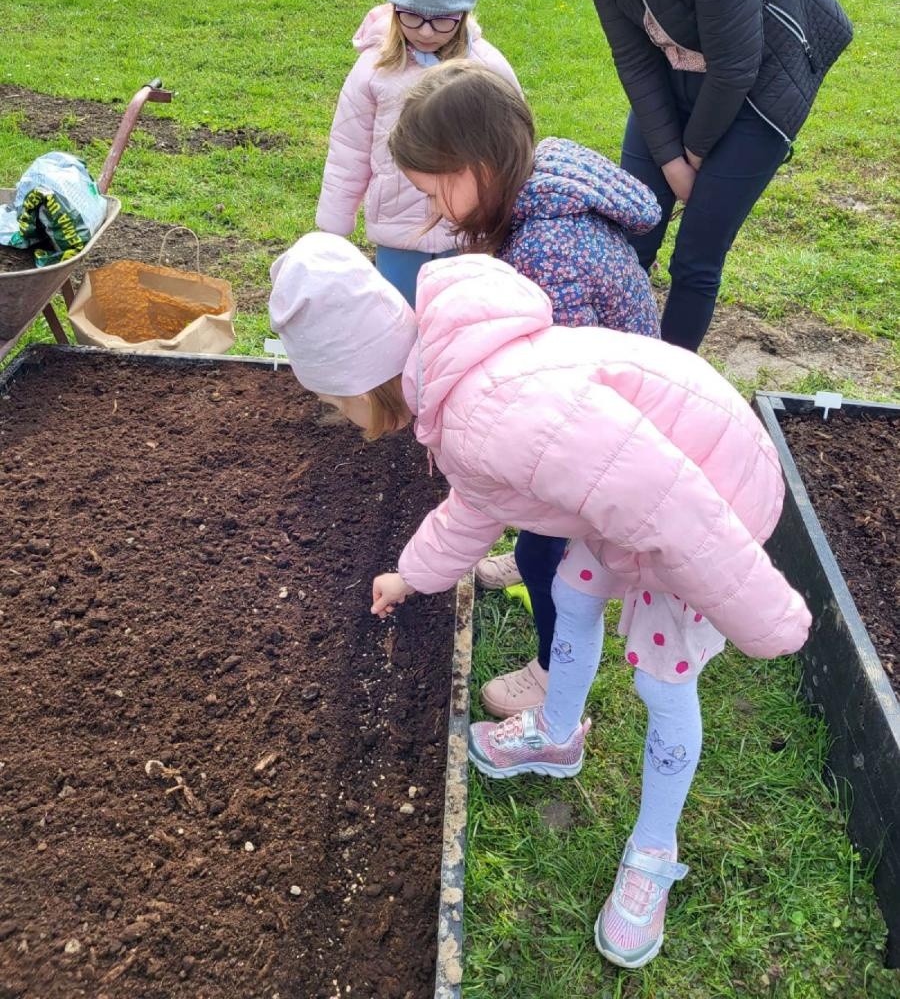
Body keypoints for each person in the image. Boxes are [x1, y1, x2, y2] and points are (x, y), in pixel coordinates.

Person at [268, 233, 811, 970]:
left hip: (714, 494)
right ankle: (558, 735)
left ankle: (653, 851)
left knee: (663, 681)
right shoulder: (454, 383)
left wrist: (767, 616)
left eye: (335, 402)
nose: (340, 416)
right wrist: (411, 575)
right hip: (642, 490)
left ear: (363, 379)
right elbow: (478, 503)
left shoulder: (488, 414)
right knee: (573, 590)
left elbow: (670, 502)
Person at [511, 0, 853, 352]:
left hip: (766, 81)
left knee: (696, 256)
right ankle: (609, 368)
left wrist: (691, 155)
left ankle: (668, 382)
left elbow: (736, 63)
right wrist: (671, 160)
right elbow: (634, 61)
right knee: (630, 231)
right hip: (682, 70)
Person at [388, 58, 662, 718]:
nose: (433, 211)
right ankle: (545, 547)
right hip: (616, 391)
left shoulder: (548, 255)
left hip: (605, 429)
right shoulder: (542, 188)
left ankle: (550, 674)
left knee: (548, 560)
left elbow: (550, 407)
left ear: (479, 169)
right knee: (543, 536)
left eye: (434, 193)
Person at [315, 0, 520, 307]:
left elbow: (514, 151)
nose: (426, 31)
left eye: (441, 20)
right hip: (399, 233)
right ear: (394, 7)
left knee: (461, 317)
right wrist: (333, 227)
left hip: (469, 234)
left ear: (463, 12)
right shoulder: (374, 69)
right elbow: (348, 150)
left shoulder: (487, 68)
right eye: (412, 16)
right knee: (398, 319)